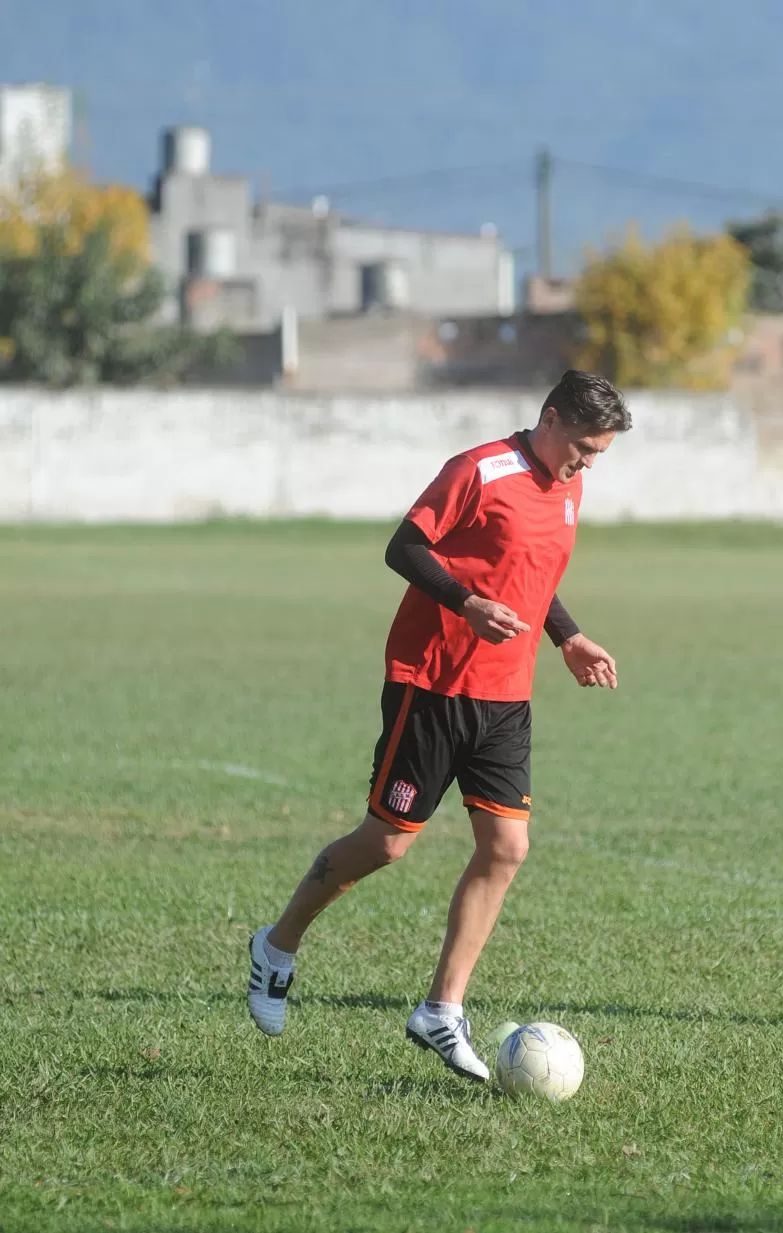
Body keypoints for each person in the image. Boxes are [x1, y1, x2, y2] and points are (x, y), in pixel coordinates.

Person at [247, 369, 632, 1082]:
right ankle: (276, 946)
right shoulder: (479, 469)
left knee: (507, 846)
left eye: (598, 453)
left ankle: (440, 1009)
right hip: (432, 683)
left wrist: (568, 637)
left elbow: (533, 573)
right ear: (549, 419)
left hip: (507, 696)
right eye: (582, 446)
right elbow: (404, 547)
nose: (587, 463)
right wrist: (466, 603)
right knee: (387, 845)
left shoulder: (568, 485)